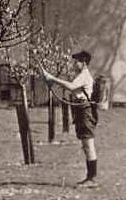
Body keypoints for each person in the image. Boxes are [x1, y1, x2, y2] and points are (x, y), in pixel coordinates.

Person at [41, 50, 99, 187]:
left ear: (83, 63)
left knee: (88, 144)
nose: (74, 64)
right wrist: (52, 82)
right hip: (81, 110)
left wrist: (52, 78)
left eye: (76, 61)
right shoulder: (81, 75)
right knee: (86, 145)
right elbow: (73, 89)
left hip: (85, 111)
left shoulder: (84, 75)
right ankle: (90, 177)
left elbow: (72, 86)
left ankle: (92, 179)